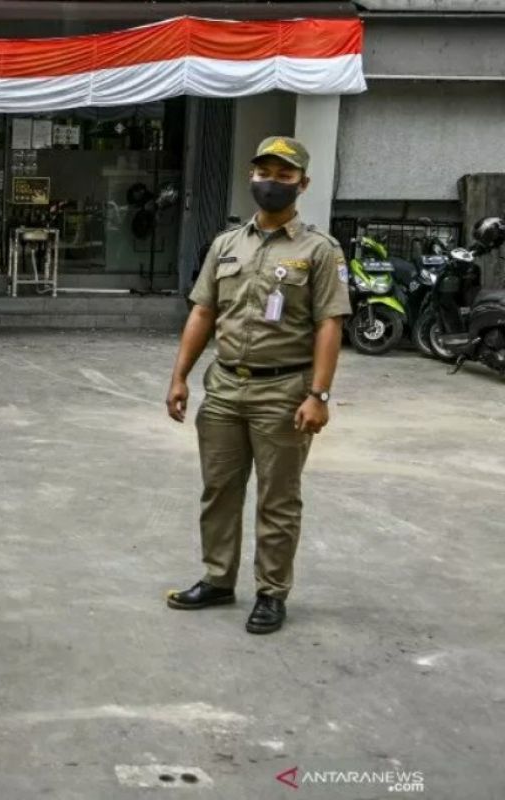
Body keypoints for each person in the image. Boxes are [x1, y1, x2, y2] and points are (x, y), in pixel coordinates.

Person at [164, 137, 351, 635]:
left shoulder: (318, 250)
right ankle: (218, 578)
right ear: (251, 178)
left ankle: (271, 592)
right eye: (263, 172)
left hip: (284, 392)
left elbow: (331, 324)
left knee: (278, 498)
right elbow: (203, 310)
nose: (271, 182)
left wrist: (320, 394)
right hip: (224, 387)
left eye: (284, 175)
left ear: (302, 185)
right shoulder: (227, 245)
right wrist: (180, 375)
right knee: (219, 490)